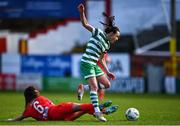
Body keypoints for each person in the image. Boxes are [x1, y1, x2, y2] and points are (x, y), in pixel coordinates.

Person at [77, 3, 120, 122]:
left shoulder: (107, 45)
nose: (116, 39)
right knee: (95, 87)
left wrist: (108, 72)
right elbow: (85, 24)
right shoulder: (98, 33)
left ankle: (84, 88)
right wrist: (81, 12)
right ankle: (97, 112)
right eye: (116, 37)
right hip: (86, 62)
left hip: (94, 64)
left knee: (107, 85)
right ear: (111, 33)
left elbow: (101, 59)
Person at [7, 86, 118, 121]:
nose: (38, 91)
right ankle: (98, 107)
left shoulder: (28, 110)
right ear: (34, 93)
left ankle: (104, 111)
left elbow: (20, 117)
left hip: (58, 119)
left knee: (82, 110)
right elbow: (51, 105)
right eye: (36, 90)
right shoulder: (40, 98)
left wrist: (10, 120)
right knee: (80, 106)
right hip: (57, 110)